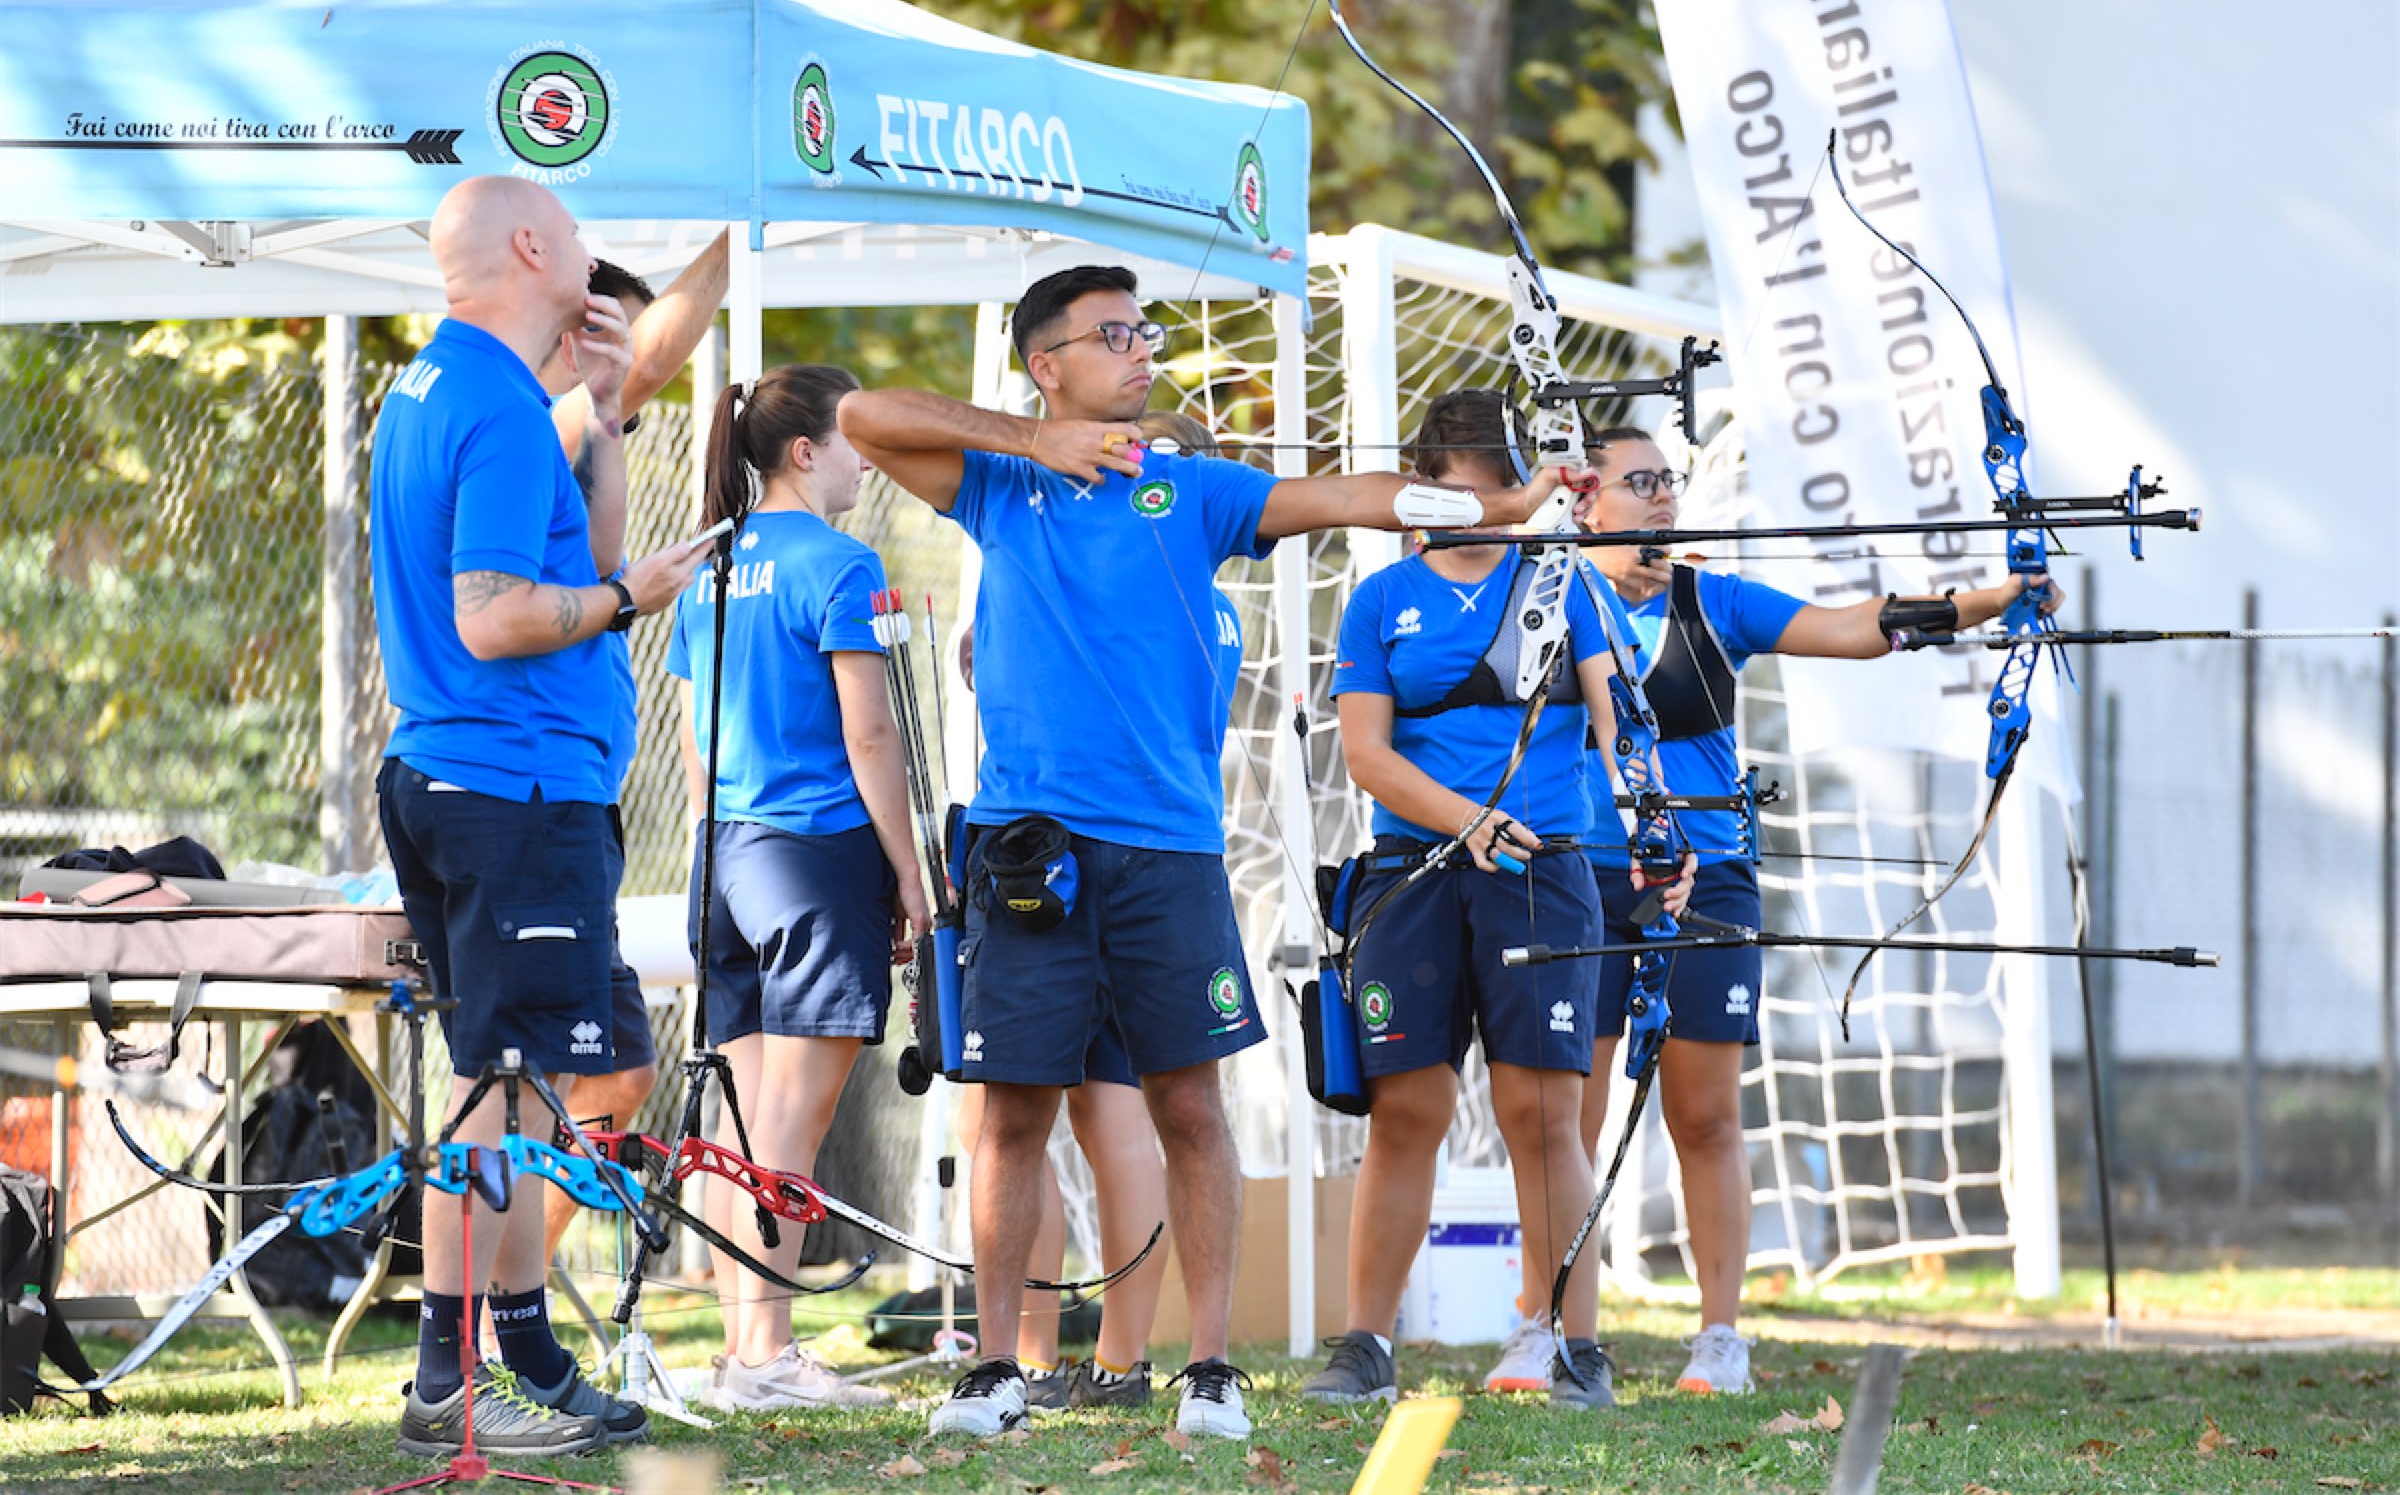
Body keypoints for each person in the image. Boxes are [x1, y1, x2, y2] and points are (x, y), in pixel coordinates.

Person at [838, 265, 1572, 1441]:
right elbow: (863, 416)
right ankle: (990, 1371)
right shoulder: (1001, 483)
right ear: (1048, 362)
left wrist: (1503, 507)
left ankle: (1212, 1370)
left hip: (1169, 854)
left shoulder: (1194, 491)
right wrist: (1039, 437)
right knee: (1015, 1114)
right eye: (1112, 336)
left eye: (1144, 332)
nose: (1141, 352)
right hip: (1033, 848)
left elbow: (1358, 499)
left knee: (1191, 1105)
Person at [1480, 423, 2065, 1399]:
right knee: (1561, 1120)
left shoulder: (1713, 599)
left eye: (1670, 481)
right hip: (1579, 877)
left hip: (1705, 876)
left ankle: (1719, 1336)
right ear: (1587, 502)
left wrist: (1993, 600)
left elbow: (1850, 628)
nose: (1663, 497)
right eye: (1641, 483)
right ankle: (1545, 1327)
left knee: (1703, 1115)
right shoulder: (1547, 600)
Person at [370, 174, 705, 1458]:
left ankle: (520, 1349)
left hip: (491, 781)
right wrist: (632, 598)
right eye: (570, 232)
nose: (589, 251)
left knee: (522, 1079)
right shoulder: (498, 413)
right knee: (497, 1089)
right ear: (528, 245)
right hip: (508, 785)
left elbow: (560, 566)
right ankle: (449, 1382)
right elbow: (498, 613)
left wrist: (610, 418)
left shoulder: (455, 390)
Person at [1299, 389, 1689, 1413]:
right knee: (1407, 1109)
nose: (1476, 510)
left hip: (1542, 874)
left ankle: (1576, 1344)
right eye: (1456, 486)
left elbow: (1623, 726)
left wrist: (1657, 827)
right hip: (1414, 874)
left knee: (1543, 1111)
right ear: (1423, 489)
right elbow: (1366, 755)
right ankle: (1367, 1345)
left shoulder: (1566, 588)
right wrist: (1467, 821)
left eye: (1492, 486)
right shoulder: (1383, 598)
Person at [947, 407, 1227, 1415]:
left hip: (1136, 858)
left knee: (1127, 1119)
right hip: (1061, 860)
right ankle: (1073, 1357)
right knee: (1027, 1114)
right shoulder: (1124, 562)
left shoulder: (1184, 585)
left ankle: (1105, 1356)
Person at [666, 364, 931, 1410]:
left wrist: (713, 836)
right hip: (815, 856)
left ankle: (748, 1350)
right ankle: (766, 1355)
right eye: (855, 434)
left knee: (740, 1127)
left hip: (725, 855)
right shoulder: (842, 562)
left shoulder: (710, 564)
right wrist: (914, 874)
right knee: (785, 1126)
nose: (869, 455)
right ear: (806, 450)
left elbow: (693, 742)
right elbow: (871, 736)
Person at [531, 235, 731, 1273]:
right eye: (610, 333)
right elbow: (648, 360)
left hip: (570, 806)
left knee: (610, 1076)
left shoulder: (578, 432)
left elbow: (640, 375)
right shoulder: (531, 426)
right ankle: (475, 1314)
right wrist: (740, 233)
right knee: (557, 1077)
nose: (638, 389)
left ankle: (490, 1301)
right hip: (528, 802)